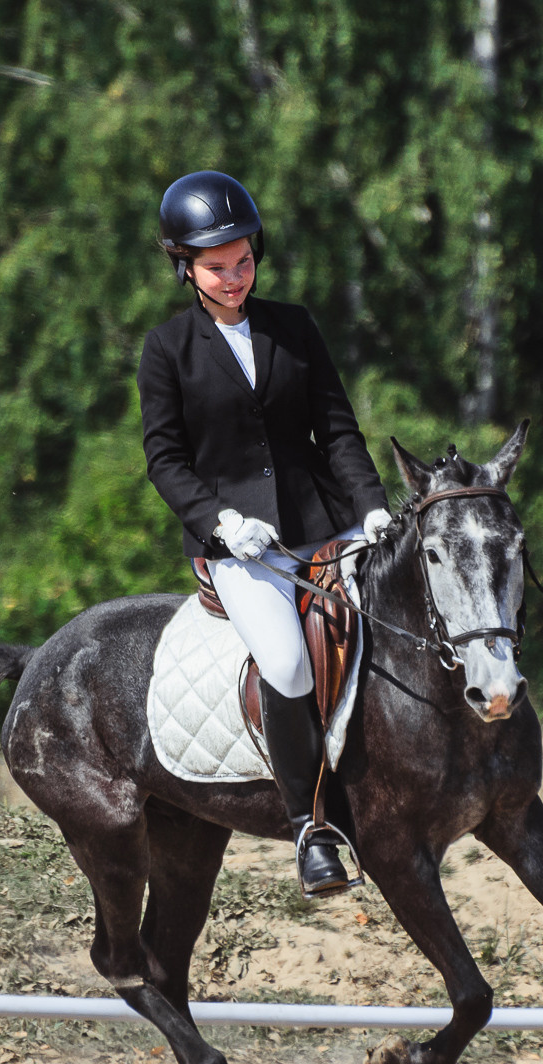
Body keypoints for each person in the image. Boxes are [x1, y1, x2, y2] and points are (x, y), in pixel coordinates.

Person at [137, 170, 391, 899]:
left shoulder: (294, 326)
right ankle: (310, 828)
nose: (235, 276)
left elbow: (337, 431)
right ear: (185, 265)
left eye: (244, 260)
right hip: (239, 546)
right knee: (285, 663)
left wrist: (371, 508)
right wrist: (220, 521)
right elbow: (165, 460)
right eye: (217, 266)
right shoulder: (167, 350)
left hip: (322, 521)